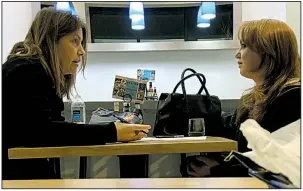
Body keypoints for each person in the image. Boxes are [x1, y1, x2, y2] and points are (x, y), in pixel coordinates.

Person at [2, 8, 150, 180]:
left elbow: (50, 128)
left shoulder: (34, 71)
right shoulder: (26, 70)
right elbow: (45, 131)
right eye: (75, 41)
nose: (82, 51)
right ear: (51, 40)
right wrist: (112, 132)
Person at [187, 19, 301, 177]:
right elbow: (228, 129)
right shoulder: (255, 98)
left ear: (268, 51)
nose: (237, 54)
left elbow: (278, 164)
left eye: (244, 46)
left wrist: (218, 171)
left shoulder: (292, 97)